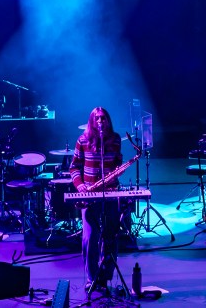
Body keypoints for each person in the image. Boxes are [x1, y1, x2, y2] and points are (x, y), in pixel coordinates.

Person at [70, 107, 123, 294]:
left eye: (103, 118)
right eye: (97, 119)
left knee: (111, 235)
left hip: (109, 194)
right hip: (89, 195)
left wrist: (116, 174)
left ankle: (106, 276)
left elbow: (117, 162)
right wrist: (80, 186)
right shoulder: (83, 140)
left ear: (108, 120)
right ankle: (91, 278)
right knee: (91, 237)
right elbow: (74, 167)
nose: (101, 122)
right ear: (92, 121)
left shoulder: (115, 140)